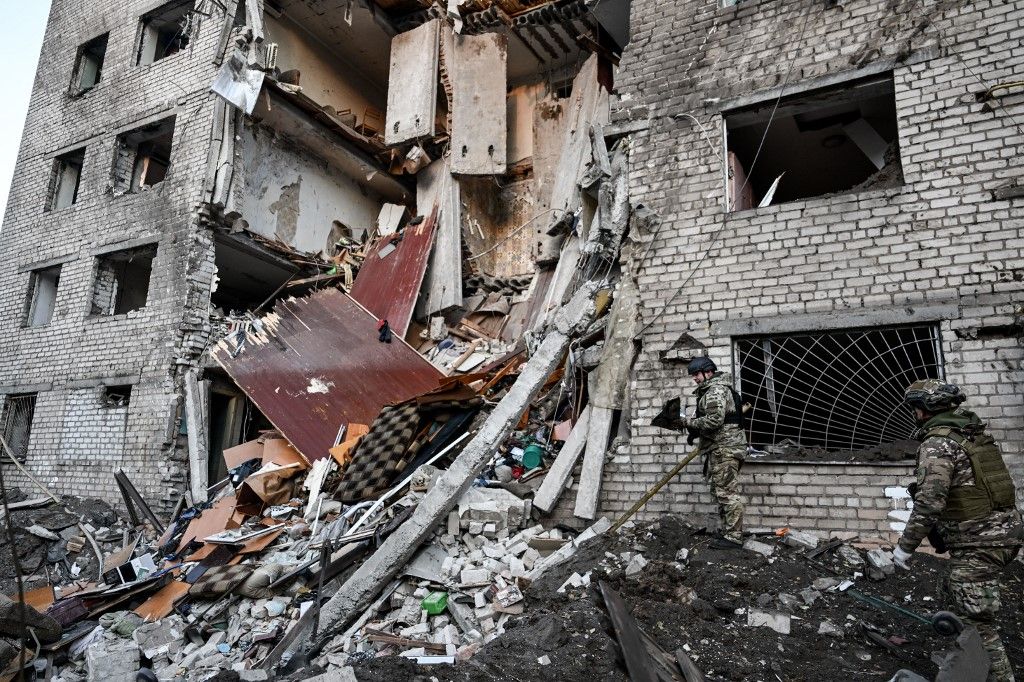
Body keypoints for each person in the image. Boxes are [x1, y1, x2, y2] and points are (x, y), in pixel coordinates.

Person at [893, 379, 1022, 682]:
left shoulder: (938, 444)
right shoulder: (972, 434)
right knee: (953, 592)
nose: (913, 413)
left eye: (915, 407)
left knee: (977, 627)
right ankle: (964, 660)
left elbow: (929, 503)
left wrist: (905, 547)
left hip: (981, 542)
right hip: (1002, 535)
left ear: (924, 410)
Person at [679, 357, 747, 548]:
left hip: (725, 449)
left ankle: (734, 537)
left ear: (708, 372)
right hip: (723, 447)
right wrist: (695, 431)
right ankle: (728, 532)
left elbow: (714, 420)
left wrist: (688, 423)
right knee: (720, 491)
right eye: (693, 375)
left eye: (696, 374)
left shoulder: (715, 390)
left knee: (726, 493)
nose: (694, 378)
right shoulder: (716, 389)